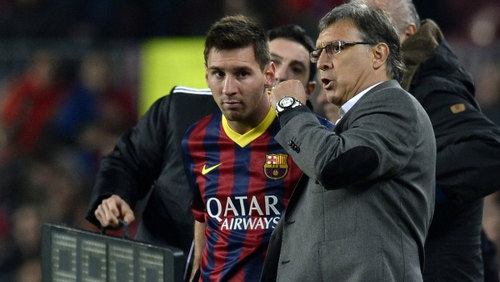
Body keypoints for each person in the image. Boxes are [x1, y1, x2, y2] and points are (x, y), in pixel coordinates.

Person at [85, 20, 323, 274]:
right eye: (277, 60)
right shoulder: (182, 111)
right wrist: (114, 194)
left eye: (296, 69)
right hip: (164, 263)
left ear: (308, 89)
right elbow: (127, 158)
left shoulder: (308, 139)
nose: (284, 75)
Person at [262, 2, 436, 281]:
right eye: (318, 52)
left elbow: (334, 164)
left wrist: (291, 108)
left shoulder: (396, 106)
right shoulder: (356, 120)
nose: (320, 62)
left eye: (336, 47)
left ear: (378, 54)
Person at [356, 0, 500, 281]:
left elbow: (488, 152)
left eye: (376, 31)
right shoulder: (373, 91)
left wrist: (399, 188)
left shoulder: (430, 86)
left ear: (408, 34)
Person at [181, 15, 333, 282]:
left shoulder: (310, 135)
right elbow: (203, 219)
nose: (228, 89)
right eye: (218, 74)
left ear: (268, 74)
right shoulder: (196, 140)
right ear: (206, 75)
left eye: (242, 74)